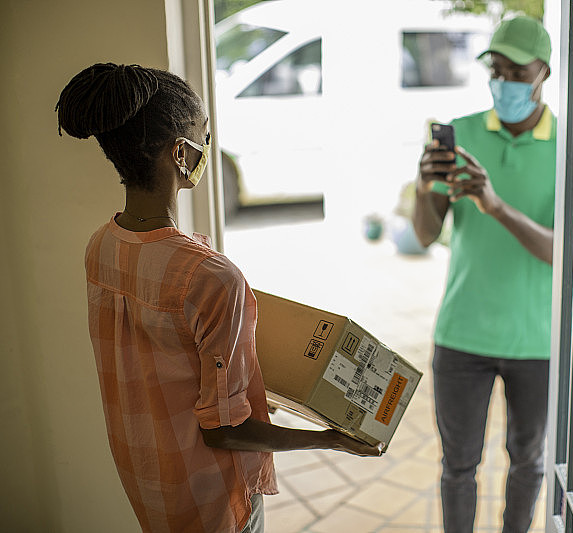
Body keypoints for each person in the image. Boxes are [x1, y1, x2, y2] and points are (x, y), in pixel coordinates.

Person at [56, 63, 381, 533]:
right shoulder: (209, 277)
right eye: (204, 136)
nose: (209, 147)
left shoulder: (100, 247)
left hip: (146, 480)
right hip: (209, 501)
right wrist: (329, 438)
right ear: (181, 153)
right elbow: (227, 431)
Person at [413, 16, 555, 533]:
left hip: (536, 342)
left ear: (544, 73)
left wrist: (494, 206)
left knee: (529, 463)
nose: (505, 81)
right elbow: (427, 234)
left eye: (518, 70)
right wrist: (426, 189)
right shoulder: (463, 133)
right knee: (458, 469)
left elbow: (562, 253)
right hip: (462, 337)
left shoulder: (568, 147)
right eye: (496, 69)